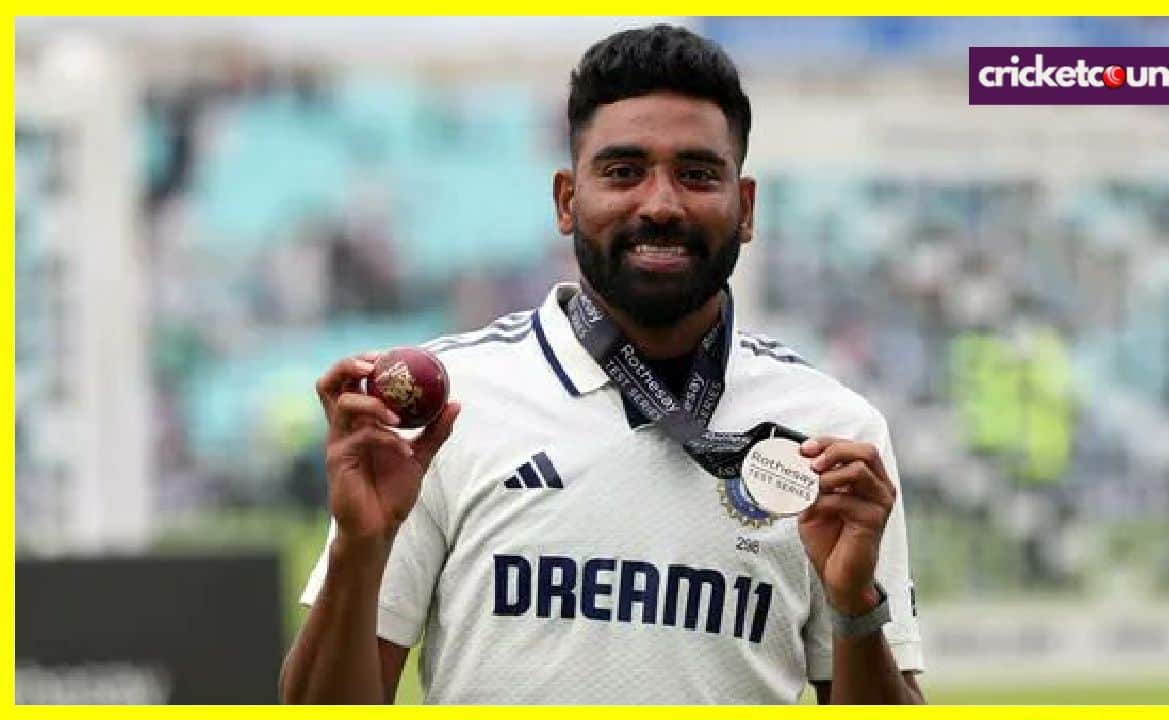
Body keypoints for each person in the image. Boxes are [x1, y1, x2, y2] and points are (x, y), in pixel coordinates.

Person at [280, 24, 925, 704]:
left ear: (746, 207)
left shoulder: (831, 433)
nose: (661, 204)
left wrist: (855, 606)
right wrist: (360, 546)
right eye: (623, 172)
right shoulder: (447, 411)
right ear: (567, 200)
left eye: (697, 174)